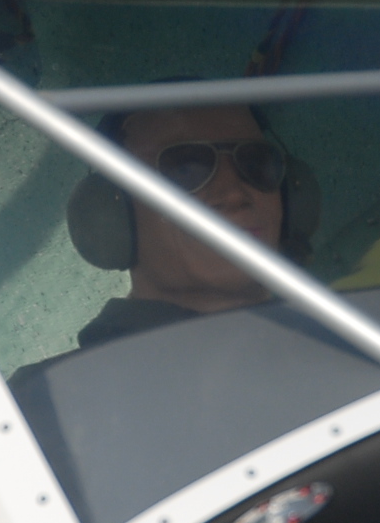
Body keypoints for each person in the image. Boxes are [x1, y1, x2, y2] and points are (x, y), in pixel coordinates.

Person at [73, 102, 287, 349]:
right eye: (184, 169)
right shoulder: (93, 372)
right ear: (112, 212)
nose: (234, 195)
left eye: (256, 164)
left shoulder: (311, 343)